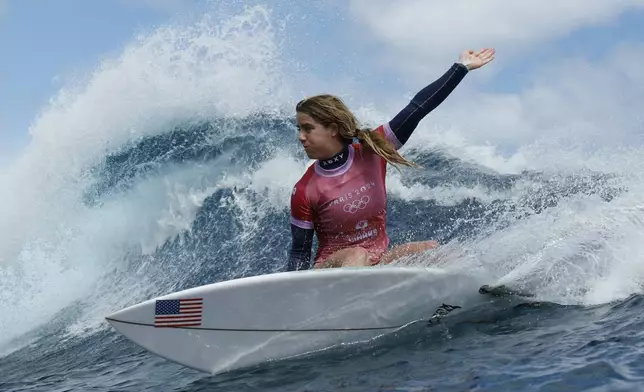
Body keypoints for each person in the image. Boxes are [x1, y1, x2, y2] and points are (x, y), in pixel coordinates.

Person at [287, 48, 496, 271]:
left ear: (333, 129)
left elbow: (417, 108)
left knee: (437, 251)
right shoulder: (305, 190)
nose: (301, 136)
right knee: (357, 256)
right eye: (299, 129)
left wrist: (460, 67)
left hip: (377, 265)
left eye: (308, 129)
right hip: (329, 273)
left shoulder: (373, 150)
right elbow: (300, 253)